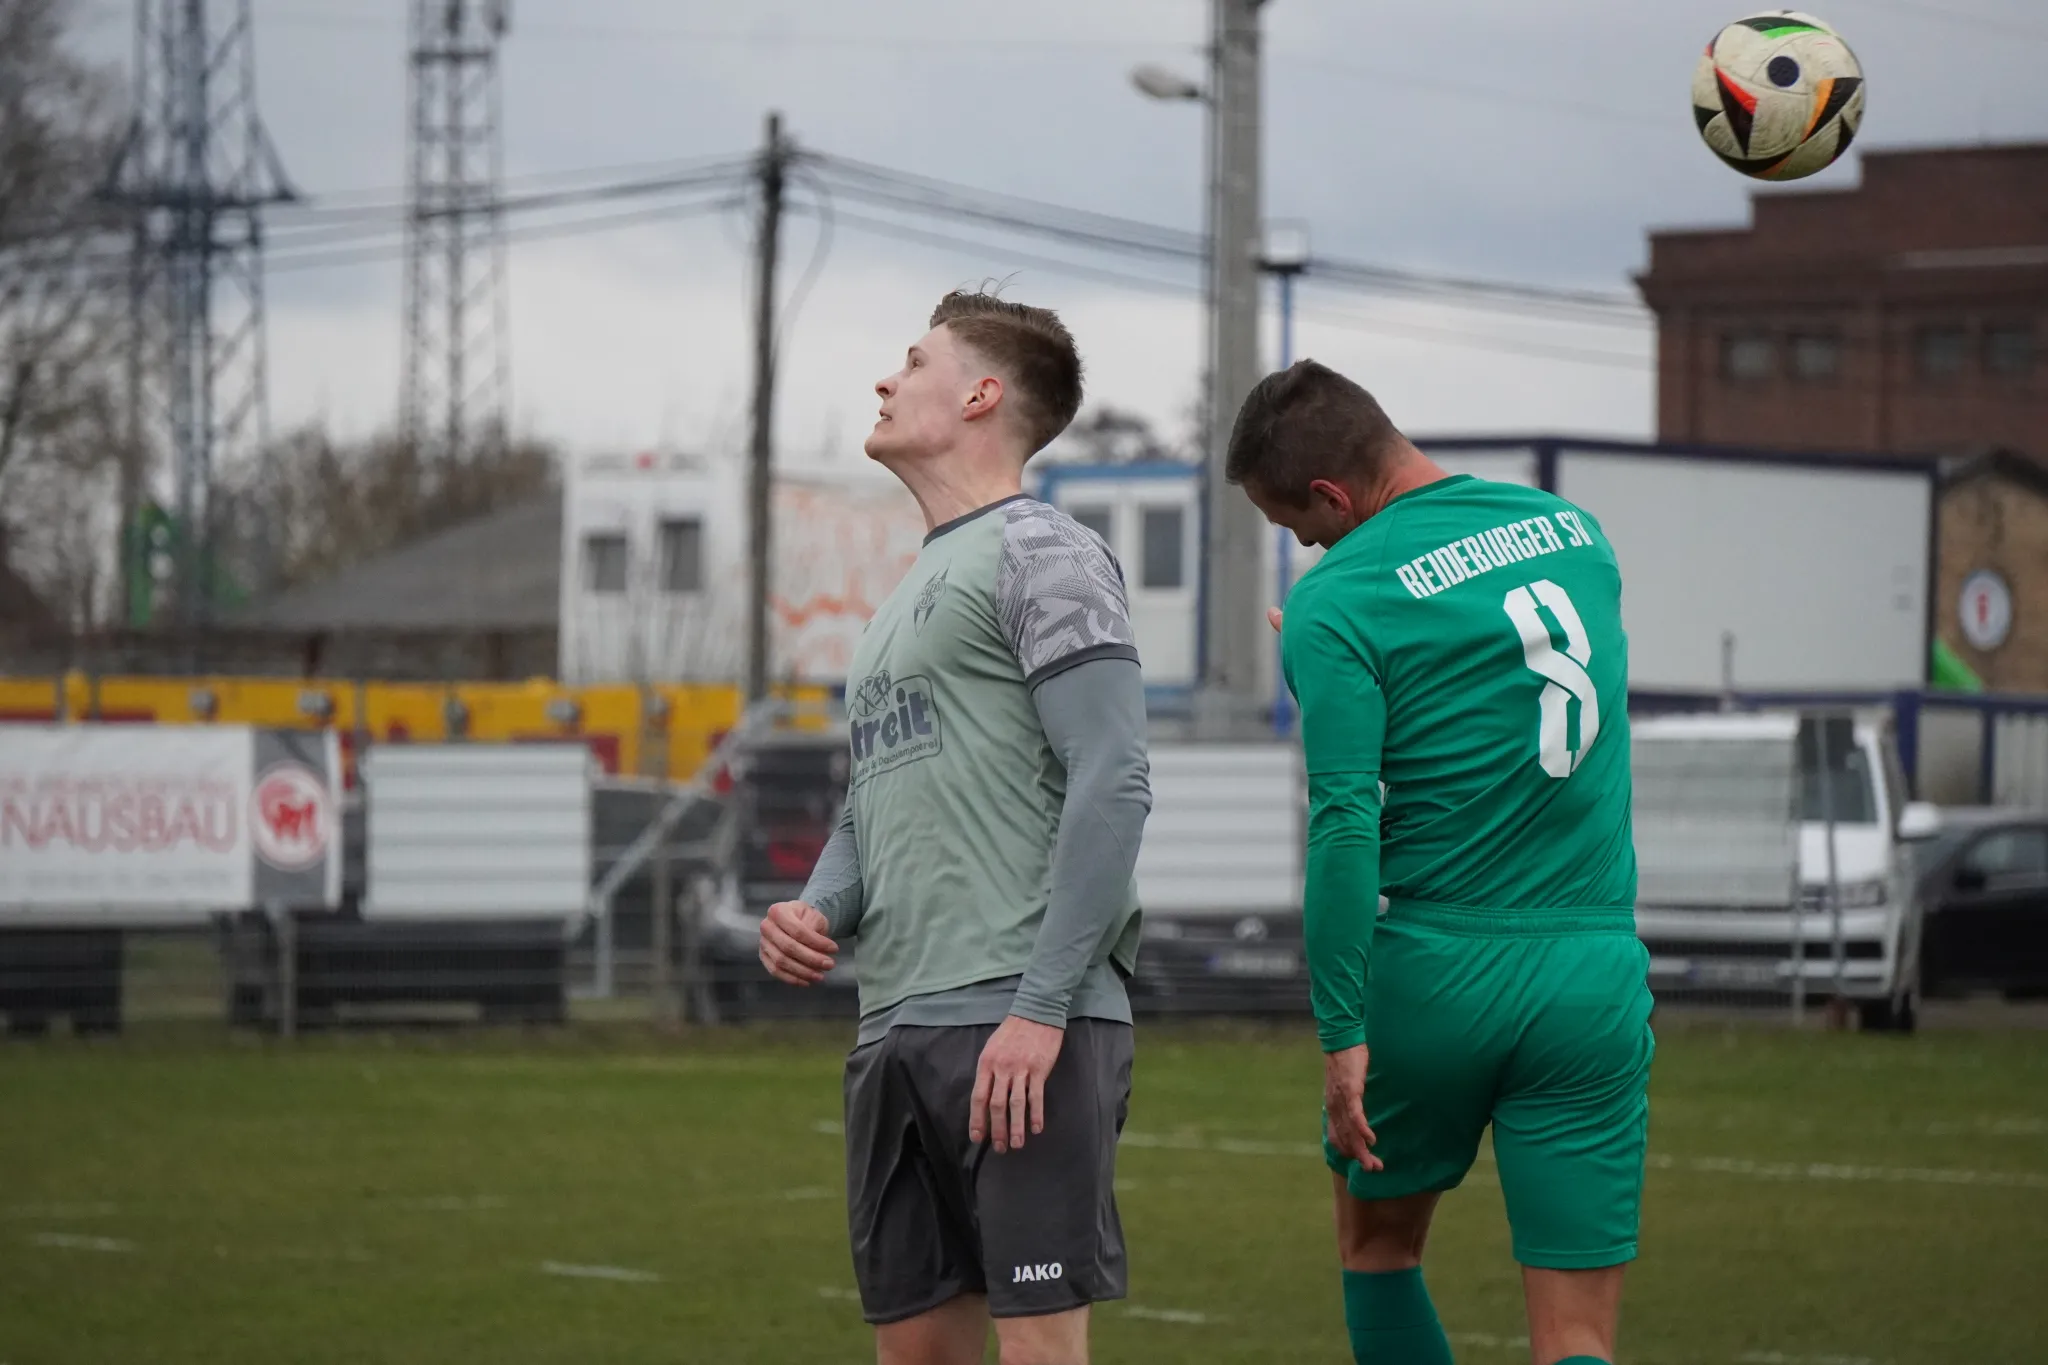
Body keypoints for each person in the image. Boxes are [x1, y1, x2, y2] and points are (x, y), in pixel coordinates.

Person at [1228, 359, 1650, 1365]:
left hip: (1434, 970)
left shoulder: (1335, 600)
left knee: (1377, 1249)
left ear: (1332, 495)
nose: (1309, 549)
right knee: (1579, 1332)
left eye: (1301, 527)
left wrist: (1341, 1030)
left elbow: (1344, 822)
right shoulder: (1575, 532)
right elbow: (1487, 671)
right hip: (1589, 972)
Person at [757, 289, 1152, 1365]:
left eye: (914, 361)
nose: (885, 380)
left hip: (1020, 1022)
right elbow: (874, 797)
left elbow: (1112, 776)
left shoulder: (1046, 552)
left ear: (979, 395)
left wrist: (1040, 1009)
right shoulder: (905, 592)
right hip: (894, 1025)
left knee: (1037, 1350)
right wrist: (816, 908)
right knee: (915, 1356)